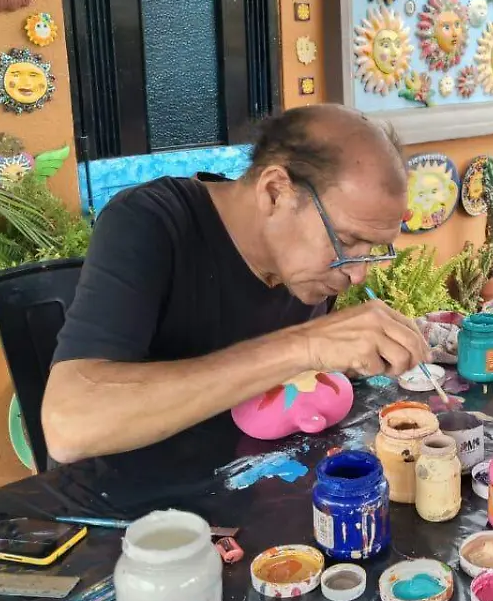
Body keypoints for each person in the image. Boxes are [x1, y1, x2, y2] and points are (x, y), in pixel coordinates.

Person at [43, 105, 430, 464]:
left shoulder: (307, 268)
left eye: (371, 250)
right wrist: (305, 345)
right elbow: (68, 424)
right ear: (275, 192)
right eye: (346, 242)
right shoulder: (150, 224)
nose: (358, 273)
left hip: (248, 487)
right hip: (127, 515)